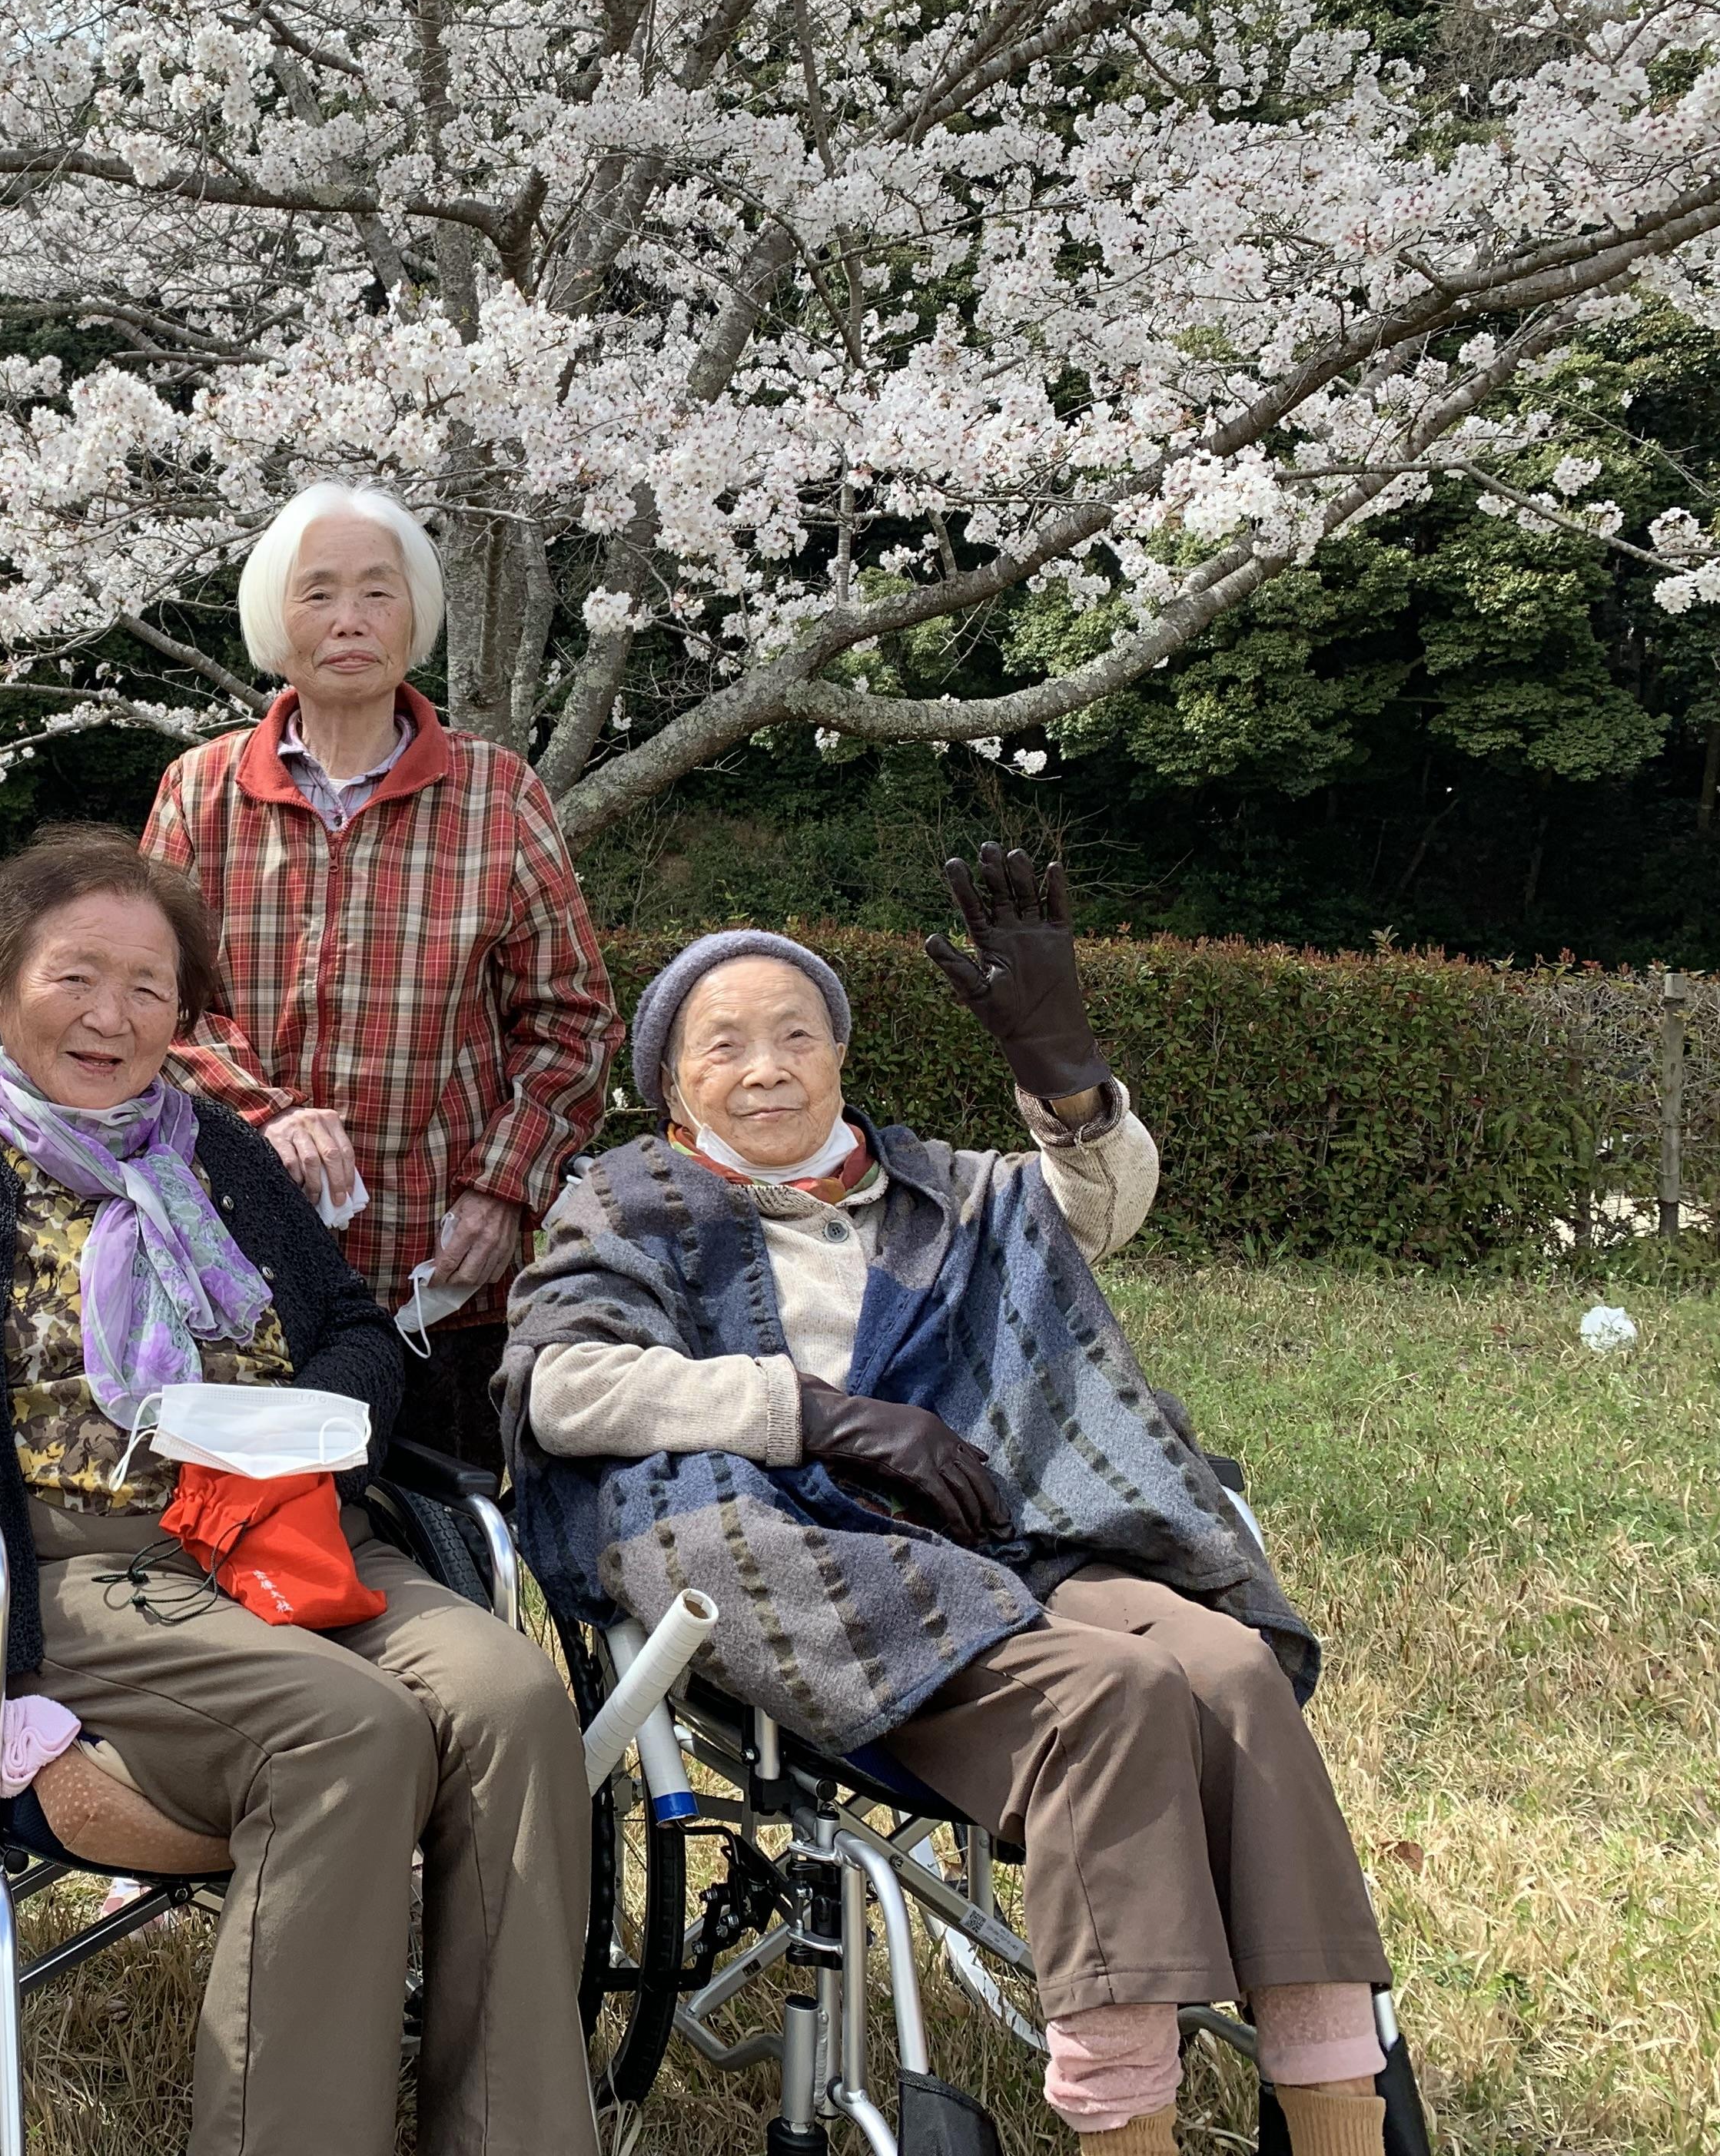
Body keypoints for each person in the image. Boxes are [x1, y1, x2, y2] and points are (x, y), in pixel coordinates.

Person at [0, 824, 598, 2156]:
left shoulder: (222, 1153)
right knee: (349, 1729)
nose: (111, 1016)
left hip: (285, 1525)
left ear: (185, 1015)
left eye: (150, 988)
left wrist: (309, 1417)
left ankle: (513, 2136)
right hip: (75, 1563)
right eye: (75, 976)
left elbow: (350, 1322)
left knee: (517, 1697)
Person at [503, 849, 1408, 2156]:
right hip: (806, 1570)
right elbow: (562, 1387)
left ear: (839, 1055)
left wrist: (1066, 1078)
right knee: (1117, 1695)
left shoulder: (948, 1192)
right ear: (671, 1086)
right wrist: (815, 1414)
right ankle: (1127, 2128)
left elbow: (1097, 1206)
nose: (764, 1069)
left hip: (1007, 1534)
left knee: (1227, 1667)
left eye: (795, 1036)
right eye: (722, 1047)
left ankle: (1336, 2108)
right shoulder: (628, 1202)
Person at [141, 481, 619, 1474]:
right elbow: (150, 1006)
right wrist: (267, 1112)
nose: (350, 620)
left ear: (417, 617)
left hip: (440, 1283)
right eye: (318, 595)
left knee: (453, 1559)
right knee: (263, 1566)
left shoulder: (498, 795)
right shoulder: (202, 790)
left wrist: (504, 1195)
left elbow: (573, 1023)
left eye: (378, 592)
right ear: (276, 621)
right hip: (238, 1271)